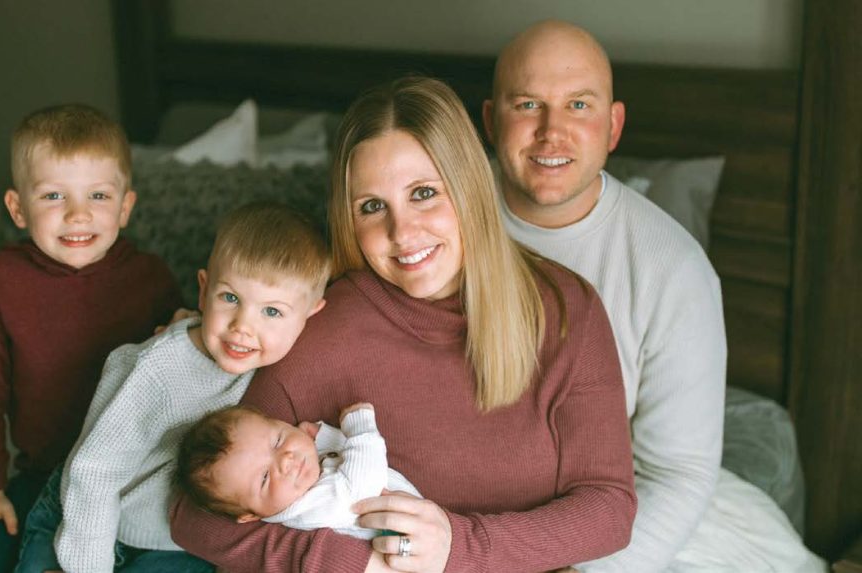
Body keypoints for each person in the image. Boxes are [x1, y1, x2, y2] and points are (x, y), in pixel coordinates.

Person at [170, 76, 636, 573]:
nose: (403, 232)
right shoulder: (320, 328)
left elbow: (609, 509)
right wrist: (352, 563)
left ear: (469, 187)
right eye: (373, 207)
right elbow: (193, 514)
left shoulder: (565, 309)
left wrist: (458, 547)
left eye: (424, 193)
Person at [483, 20, 823, 572]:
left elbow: (677, 475)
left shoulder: (673, 268)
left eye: (578, 105)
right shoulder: (430, 223)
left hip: (614, 517)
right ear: (490, 120)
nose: (551, 131)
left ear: (613, 126)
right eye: (527, 105)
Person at [0, 104, 180, 572]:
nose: (78, 214)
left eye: (98, 196)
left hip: (133, 480)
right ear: (18, 209)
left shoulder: (151, 280)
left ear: (125, 207)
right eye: (53, 196)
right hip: (43, 473)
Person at [13, 202, 331, 572]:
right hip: (81, 513)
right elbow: (94, 472)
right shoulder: (158, 369)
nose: (243, 327)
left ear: (310, 315)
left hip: (166, 541)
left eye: (272, 311)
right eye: (230, 298)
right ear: (204, 291)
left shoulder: (277, 365)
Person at [176, 402, 421, 539]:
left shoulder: (302, 485)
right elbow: (363, 489)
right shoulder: (309, 510)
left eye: (278, 441)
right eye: (264, 477)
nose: (286, 460)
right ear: (251, 515)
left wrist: (324, 438)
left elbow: (334, 465)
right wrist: (360, 427)